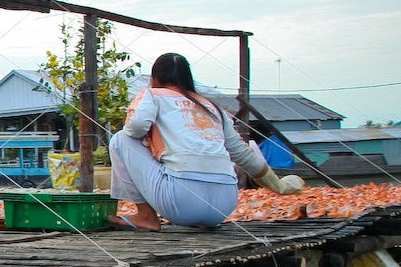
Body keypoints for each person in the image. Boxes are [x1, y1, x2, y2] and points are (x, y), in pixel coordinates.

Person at [108, 52, 302, 231]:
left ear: (154, 79)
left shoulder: (151, 94)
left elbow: (136, 127)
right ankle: (186, 215)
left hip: (181, 202)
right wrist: (280, 187)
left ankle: (146, 217)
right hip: (223, 207)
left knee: (121, 138)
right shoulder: (211, 107)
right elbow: (245, 156)